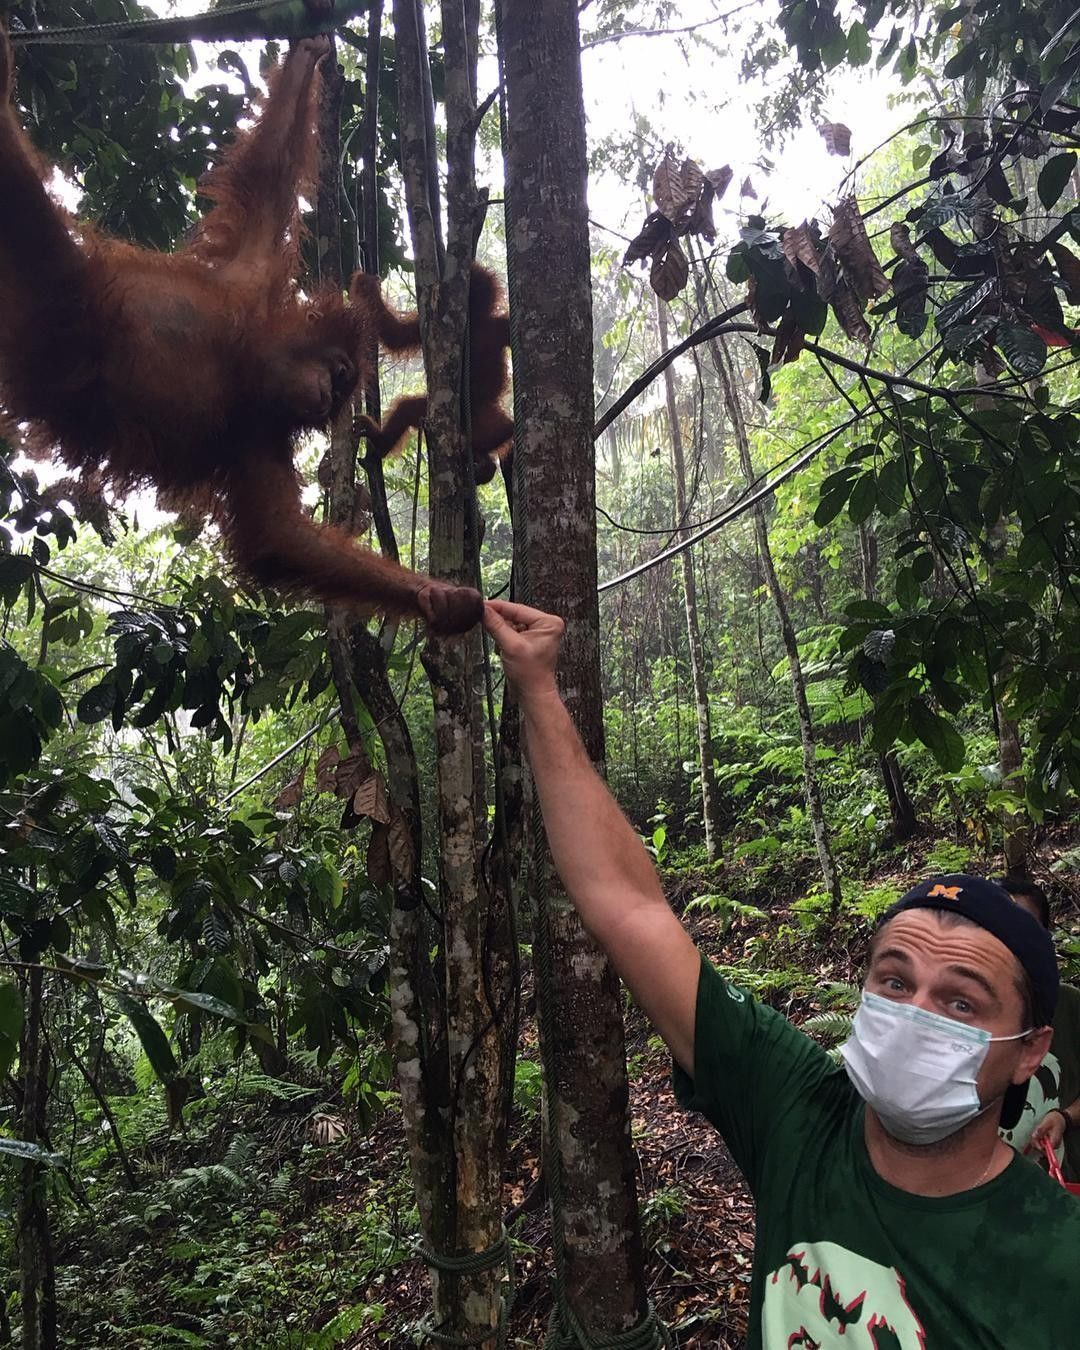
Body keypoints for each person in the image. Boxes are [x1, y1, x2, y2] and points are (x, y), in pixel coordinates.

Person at [483, 597, 1080, 1348]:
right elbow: (628, 906)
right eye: (895, 982)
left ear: (1031, 1047)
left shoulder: (1061, 1261)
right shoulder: (799, 1111)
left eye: (962, 1003)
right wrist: (538, 687)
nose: (917, 1011)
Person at [998, 876, 1080, 1178]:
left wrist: (1065, 1118)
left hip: (1060, 1186)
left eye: (1025, 929)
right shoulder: (963, 1013)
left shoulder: (1069, 1007)